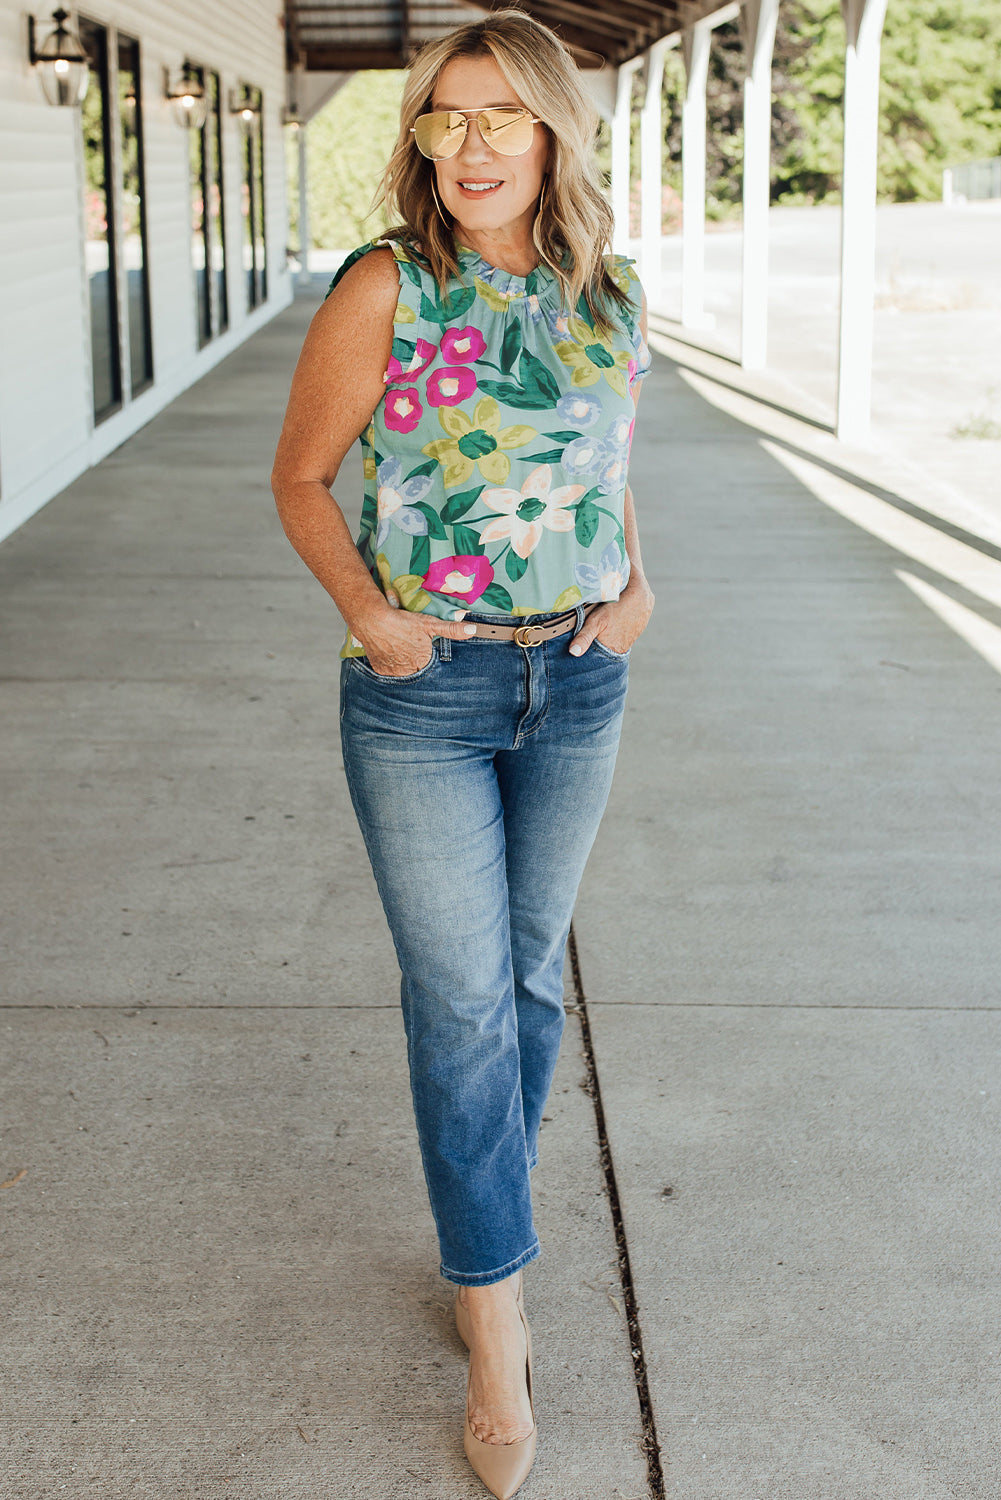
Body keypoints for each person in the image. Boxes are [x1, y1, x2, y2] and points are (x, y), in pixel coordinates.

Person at [271, 10, 653, 1496]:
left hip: (577, 680)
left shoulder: (609, 294)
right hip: (423, 695)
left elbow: (609, 461)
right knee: (460, 1005)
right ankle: (495, 1328)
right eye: (444, 117)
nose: (472, 143)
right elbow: (303, 478)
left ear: (554, 128)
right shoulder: (388, 286)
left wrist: (637, 584)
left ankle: (492, 1221)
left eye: (501, 115)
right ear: (419, 140)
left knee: (526, 980)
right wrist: (373, 616)